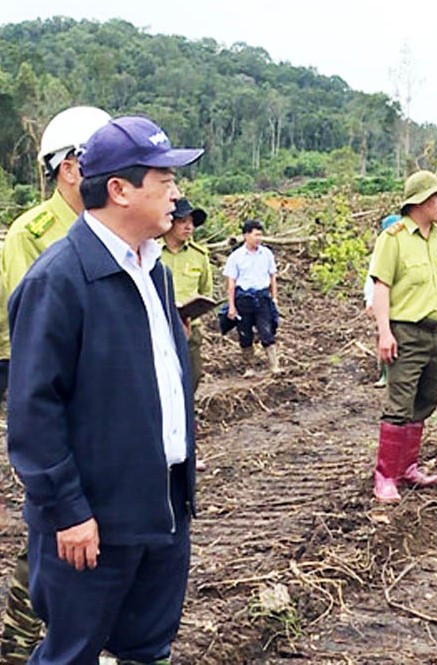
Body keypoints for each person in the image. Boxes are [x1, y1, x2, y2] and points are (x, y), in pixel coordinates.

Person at [6, 114, 201, 663]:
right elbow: (33, 413)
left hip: (161, 504)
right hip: (91, 520)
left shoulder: (154, 270)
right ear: (119, 189)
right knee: (72, 653)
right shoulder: (58, 280)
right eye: (164, 180)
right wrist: (68, 510)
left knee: (148, 649)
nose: (176, 194)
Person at [0, 105, 112, 664]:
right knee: (52, 515)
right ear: (70, 168)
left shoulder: (118, 228)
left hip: (106, 396)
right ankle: (21, 639)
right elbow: (36, 337)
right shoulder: (34, 234)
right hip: (51, 392)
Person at [368, 170, 437, 503]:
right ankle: (385, 477)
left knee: (425, 402)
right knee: (398, 405)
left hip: (436, 335)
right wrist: (384, 332)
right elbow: (382, 287)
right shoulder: (393, 239)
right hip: (405, 332)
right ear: (420, 200)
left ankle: (408, 467)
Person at [160, 198, 212, 391]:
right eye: (183, 221)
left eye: (192, 222)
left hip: (190, 328)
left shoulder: (199, 255)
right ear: (170, 222)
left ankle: (187, 418)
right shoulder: (150, 252)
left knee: (192, 377)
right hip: (159, 327)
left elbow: (206, 290)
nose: (189, 227)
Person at [224, 219, 281, 374]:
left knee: (267, 331)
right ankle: (249, 367)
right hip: (243, 298)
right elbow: (231, 283)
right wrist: (231, 306)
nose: (258, 238)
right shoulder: (236, 257)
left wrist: (274, 298)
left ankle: (274, 365)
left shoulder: (266, 253)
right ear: (246, 235)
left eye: (260, 235)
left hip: (262, 297)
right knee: (245, 333)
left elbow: (272, 277)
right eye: (255, 235)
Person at [364, 214, 401, 388]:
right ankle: (384, 374)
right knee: (384, 336)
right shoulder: (381, 253)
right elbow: (372, 280)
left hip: (404, 303)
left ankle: (399, 375)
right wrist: (369, 300)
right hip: (385, 302)